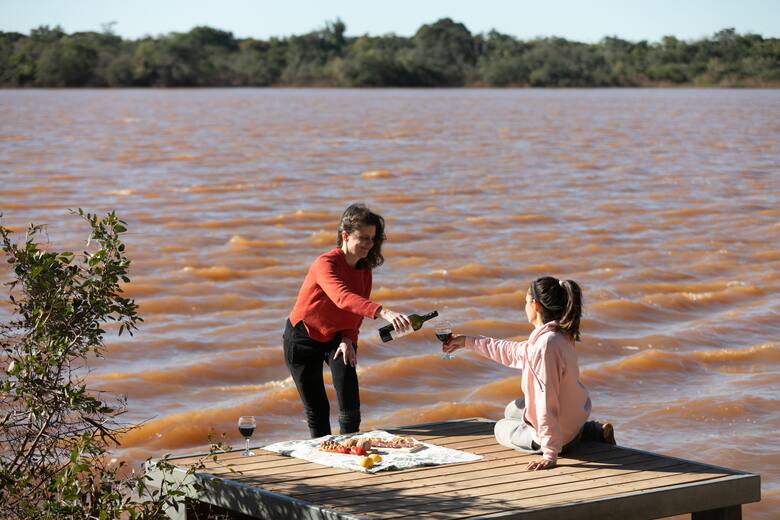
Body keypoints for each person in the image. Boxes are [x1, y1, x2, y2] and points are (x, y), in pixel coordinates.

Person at [442, 276, 615, 471]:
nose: (524, 307)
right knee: (512, 409)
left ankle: (577, 436)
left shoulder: (545, 346)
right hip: (573, 418)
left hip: (562, 439)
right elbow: (510, 351)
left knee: (500, 428)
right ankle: (591, 430)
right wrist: (467, 341)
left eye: (526, 302)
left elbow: (545, 402)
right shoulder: (559, 334)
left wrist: (549, 453)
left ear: (536, 305)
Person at [283, 203, 411, 438]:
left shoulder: (364, 269)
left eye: (373, 239)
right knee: (318, 410)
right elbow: (342, 297)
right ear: (345, 235)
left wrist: (348, 337)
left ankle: (350, 448)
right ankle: (324, 457)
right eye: (363, 238)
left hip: (338, 337)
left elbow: (355, 311)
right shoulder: (325, 264)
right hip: (303, 338)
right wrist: (384, 312)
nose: (369, 244)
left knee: (350, 403)